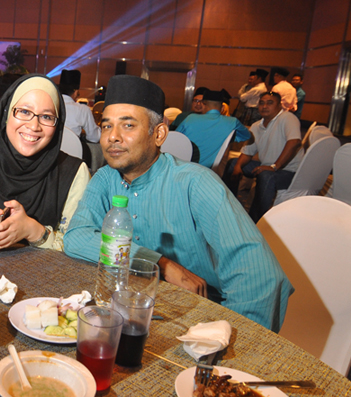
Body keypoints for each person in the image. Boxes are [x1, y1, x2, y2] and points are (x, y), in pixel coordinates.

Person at [64, 75, 292, 331]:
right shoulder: (105, 178)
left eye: (128, 125)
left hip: (198, 316)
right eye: (106, 126)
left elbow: (260, 278)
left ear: (158, 134)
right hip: (130, 312)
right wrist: (160, 263)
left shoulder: (196, 183)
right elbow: (76, 237)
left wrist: (225, 336)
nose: (112, 137)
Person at [0, 74, 90, 251]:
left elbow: (80, 247)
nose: (34, 126)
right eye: (25, 112)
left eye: (47, 117)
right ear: (6, 114)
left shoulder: (73, 173)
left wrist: (33, 231)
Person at [223, 92, 304, 223]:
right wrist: (238, 166)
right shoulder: (256, 126)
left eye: (270, 103)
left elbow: (294, 142)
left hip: (290, 172)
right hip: (267, 167)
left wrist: (274, 166)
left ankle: (256, 221)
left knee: (265, 175)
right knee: (233, 164)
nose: (265, 106)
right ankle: (228, 208)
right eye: (262, 103)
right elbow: (248, 152)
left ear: (279, 105)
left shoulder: (287, 118)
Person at [176, 89, 250, 168]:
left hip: (183, 166)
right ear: (222, 107)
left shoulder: (190, 118)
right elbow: (247, 136)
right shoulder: (232, 122)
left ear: (203, 104)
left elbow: (176, 138)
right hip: (209, 170)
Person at [58, 69, 100, 143]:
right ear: (76, 92)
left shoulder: (50, 106)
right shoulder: (83, 109)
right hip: (73, 149)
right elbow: (94, 138)